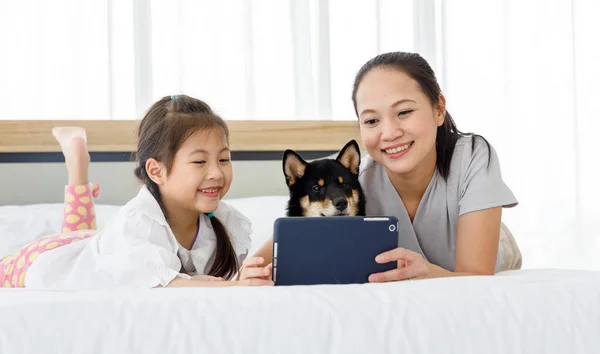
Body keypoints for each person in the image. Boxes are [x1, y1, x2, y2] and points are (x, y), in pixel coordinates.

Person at [244, 51, 521, 282]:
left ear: (439, 109)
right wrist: (250, 274)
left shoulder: (473, 156)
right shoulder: (352, 183)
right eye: (372, 121)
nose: (389, 133)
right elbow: (277, 246)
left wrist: (428, 272)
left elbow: (476, 278)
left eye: (404, 112)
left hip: (496, 257)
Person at [0, 95, 273, 289]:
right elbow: (166, 285)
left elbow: (218, 282)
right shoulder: (140, 219)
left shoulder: (224, 222)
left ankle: (77, 163)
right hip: (42, 259)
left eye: (224, 159)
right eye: (200, 161)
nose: (216, 172)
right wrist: (237, 287)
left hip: (105, 247)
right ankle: (77, 166)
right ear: (157, 171)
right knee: (71, 244)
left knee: (83, 236)